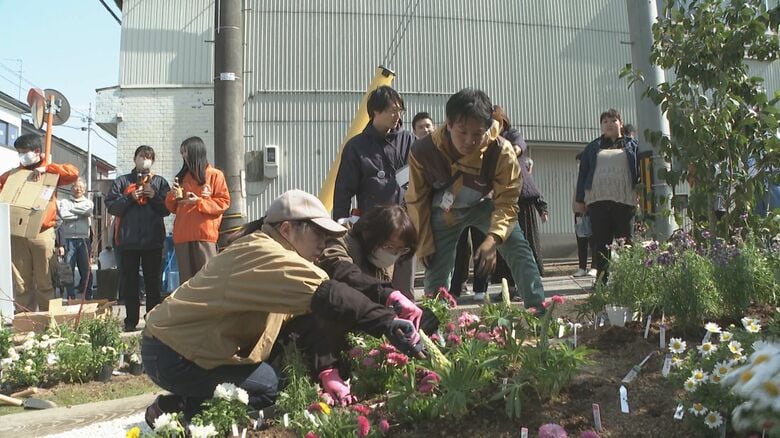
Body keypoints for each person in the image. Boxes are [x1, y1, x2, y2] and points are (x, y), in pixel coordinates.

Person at [141, 190, 423, 423]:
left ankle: (182, 402)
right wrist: (387, 321)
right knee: (266, 388)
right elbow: (331, 295)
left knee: (273, 380)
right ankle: (177, 415)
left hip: (186, 350)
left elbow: (305, 320)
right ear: (287, 228)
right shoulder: (267, 254)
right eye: (318, 236)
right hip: (172, 354)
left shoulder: (280, 256)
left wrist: (327, 370)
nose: (323, 246)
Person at [405, 88, 545, 309]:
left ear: (487, 129)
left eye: (477, 133)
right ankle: (433, 327)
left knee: (518, 247)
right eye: (462, 132)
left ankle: (539, 312)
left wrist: (493, 238)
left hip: (485, 205)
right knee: (435, 267)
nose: (470, 140)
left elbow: (507, 201)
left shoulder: (501, 151)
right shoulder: (423, 150)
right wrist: (424, 242)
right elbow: (417, 200)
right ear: (448, 124)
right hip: (445, 212)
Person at [333, 85, 417, 295]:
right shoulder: (357, 146)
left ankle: (407, 317)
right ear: (375, 112)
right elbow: (344, 188)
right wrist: (339, 223)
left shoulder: (408, 141)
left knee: (405, 281)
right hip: (373, 225)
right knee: (372, 280)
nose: (397, 116)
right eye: (392, 110)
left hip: (405, 221)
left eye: (400, 110)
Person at [318, 204, 436, 333]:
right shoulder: (340, 242)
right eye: (389, 247)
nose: (393, 254)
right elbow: (344, 272)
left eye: (400, 250)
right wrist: (387, 294)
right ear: (369, 234)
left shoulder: (392, 257)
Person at [0, 134, 79, 311]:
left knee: (45, 281)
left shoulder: (50, 172)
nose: (21, 156)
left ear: (37, 152)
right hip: (17, 232)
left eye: (24, 152)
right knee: (21, 282)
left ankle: (48, 321)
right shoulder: (12, 175)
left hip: (42, 231)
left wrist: (48, 168)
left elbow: (73, 173)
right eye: (18, 152)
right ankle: (24, 319)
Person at [105, 146, 171, 332]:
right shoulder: (122, 181)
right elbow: (112, 207)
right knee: (130, 283)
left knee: (153, 283)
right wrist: (130, 197)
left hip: (153, 241)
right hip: (128, 241)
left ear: (153, 161)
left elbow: (167, 209)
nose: (145, 160)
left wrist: (155, 196)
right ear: (135, 159)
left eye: (149, 157)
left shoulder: (159, 182)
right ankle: (130, 320)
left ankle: (152, 319)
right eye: (142, 156)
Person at [575, 109, 640, 283]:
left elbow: (639, 171)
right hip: (598, 201)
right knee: (601, 244)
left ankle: (629, 282)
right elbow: (583, 173)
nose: (609, 124)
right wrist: (580, 200)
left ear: (621, 123)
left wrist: (641, 192)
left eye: (613, 120)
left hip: (624, 200)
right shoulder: (592, 147)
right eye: (605, 122)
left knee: (626, 243)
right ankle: (602, 282)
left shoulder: (632, 145)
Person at [491, 105, 548, 280]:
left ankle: (528, 282)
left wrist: (542, 207)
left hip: (521, 197)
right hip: (499, 198)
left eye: (496, 121)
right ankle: (507, 284)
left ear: (503, 121)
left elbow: (518, 147)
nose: (493, 125)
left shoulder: (512, 135)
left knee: (526, 240)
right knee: (504, 242)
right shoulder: (485, 141)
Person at [166, 136, 230, 282]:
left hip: (204, 234)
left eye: (185, 152)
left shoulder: (215, 175)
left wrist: (199, 201)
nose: (183, 156)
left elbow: (223, 202)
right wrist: (173, 196)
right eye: (181, 152)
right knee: (187, 282)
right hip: (182, 235)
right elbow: (171, 207)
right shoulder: (181, 177)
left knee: (207, 280)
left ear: (196, 152)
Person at [57, 178, 94, 300]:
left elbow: (88, 211)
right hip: (68, 239)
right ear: (71, 188)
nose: (78, 189)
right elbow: (64, 215)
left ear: (84, 189)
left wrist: (72, 210)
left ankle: (88, 294)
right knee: (68, 269)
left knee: (86, 268)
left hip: (84, 239)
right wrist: (80, 214)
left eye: (81, 187)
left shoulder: (88, 202)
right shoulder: (64, 201)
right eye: (76, 187)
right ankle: (70, 296)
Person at [572, 153, 597, 278]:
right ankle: (582, 267)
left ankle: (594, 267)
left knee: (593, 241)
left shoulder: (591, 174)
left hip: (591, 211)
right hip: (578, 212)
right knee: (581, 240)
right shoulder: (579, 176)